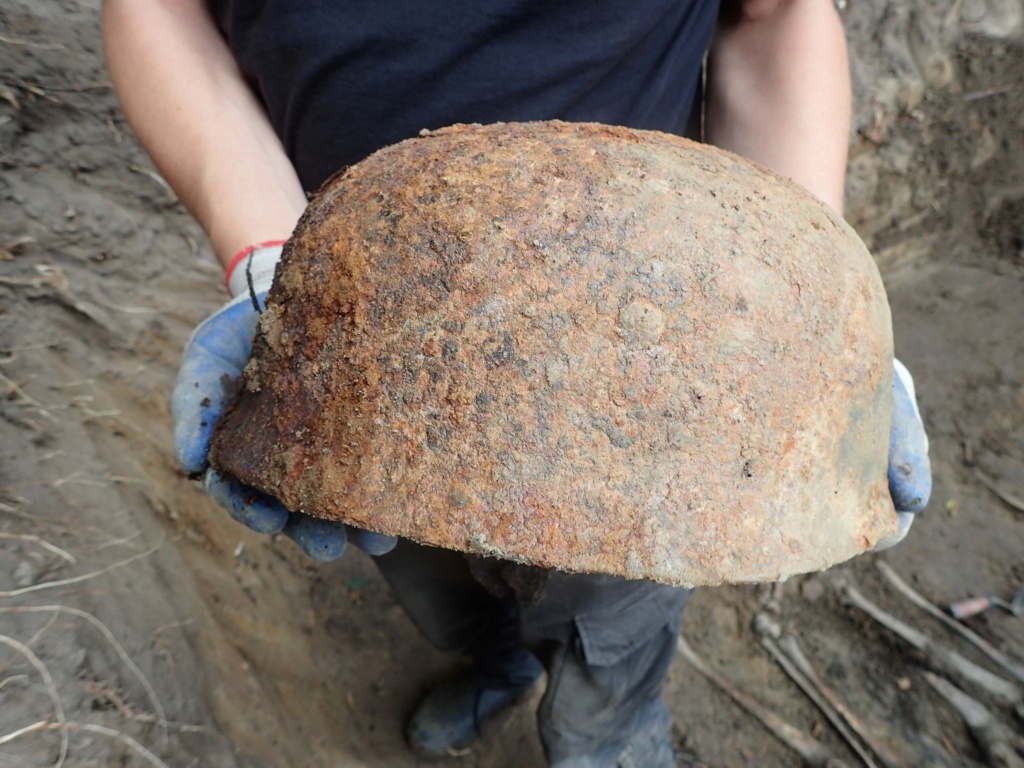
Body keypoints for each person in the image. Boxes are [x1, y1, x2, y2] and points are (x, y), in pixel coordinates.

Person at [101, 1, 932, 765]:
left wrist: (812, 310)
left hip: (657, 376)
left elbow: (778, 12)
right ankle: (496, 668)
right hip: (367, 355)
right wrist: (268, 259)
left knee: (611, 630)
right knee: (437, 586)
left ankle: (608, 740)